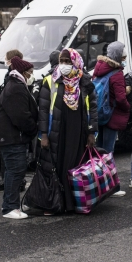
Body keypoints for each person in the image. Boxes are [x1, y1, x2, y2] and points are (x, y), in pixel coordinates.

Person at [38, 48, 98, 212]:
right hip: (57, 131)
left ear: (76, 62)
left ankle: (77, 201)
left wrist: (92, 132)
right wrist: (43, 134)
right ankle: (61, 203)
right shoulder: (51, 80)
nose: (63, 65)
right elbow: (43, 110)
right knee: (59, 165)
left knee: (77, 166)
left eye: (67, 61)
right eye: (61, 61)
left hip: (78, 131)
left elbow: (92, 109)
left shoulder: (85, 82)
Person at [0, 56, 38, 219]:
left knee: (13, 170)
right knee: (15, 170)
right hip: (12, 137)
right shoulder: (16, 87)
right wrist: (33, 129)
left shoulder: (14, 85)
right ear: (23, 72)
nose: (31, 76)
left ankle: (12, 204)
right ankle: (10, 207)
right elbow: (21, 116)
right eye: (30, 73)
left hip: (10, 136)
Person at [93, 42, 130, 197]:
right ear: (117, 55)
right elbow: (121, 98)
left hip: (99, 113)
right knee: (108, 151)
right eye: (123, 54)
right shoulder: (117, 73)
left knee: (98, 150)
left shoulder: (99, 68)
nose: (125, 57)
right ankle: (112, 186)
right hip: (111, 115)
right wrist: (128, 107)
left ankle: (97, 184)